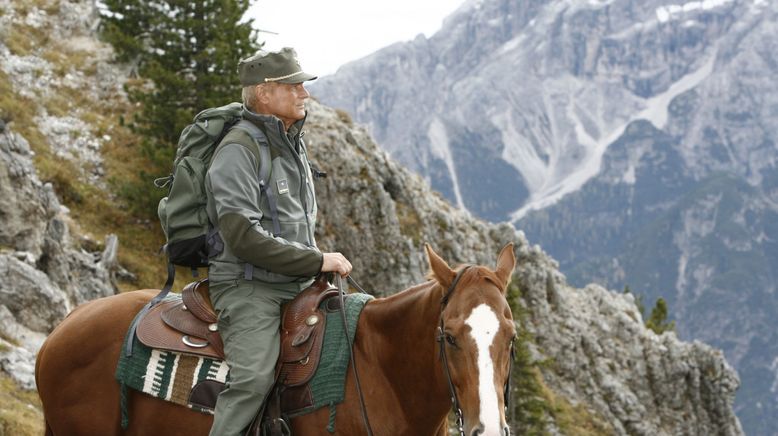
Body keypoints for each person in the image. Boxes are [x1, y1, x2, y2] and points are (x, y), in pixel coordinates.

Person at [205, 47, 352, 436]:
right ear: (265, 93)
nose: (304, 93)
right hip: (249, 286)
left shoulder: (292, 145)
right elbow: (243, 237)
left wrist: (313, 268)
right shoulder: (238, 150)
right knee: (253, 381)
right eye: (295, 85)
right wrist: (317, 261)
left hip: (298, 283)